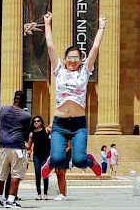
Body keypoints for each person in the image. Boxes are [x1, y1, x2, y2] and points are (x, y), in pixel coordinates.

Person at [40, 11, 104, 197]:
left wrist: (101, 27)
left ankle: (91, 161)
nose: (73, 61)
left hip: (78, 124)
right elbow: (50, 46)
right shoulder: (58, 70)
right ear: (66, 58)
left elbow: (95, 48)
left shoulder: (84, 72)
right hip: (60, 124)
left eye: (77, 58)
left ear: (81, 61)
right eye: (70, 57)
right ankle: (50, 161)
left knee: (79, 160)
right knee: (59, 158)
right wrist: (47, 24)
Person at [0, 90, 31, 209]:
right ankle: (11, 200)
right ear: (24, 100)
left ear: (14, 99)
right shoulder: (26, 116)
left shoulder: (3, 109)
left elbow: (0, 122)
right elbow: (25, 131)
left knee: (1, 173)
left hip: (3, 145)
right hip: (18, 146)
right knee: (16, 174)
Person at [27, 115, 51, 200]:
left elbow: (55, 136)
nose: (36, 122)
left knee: (45, 174)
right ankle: (39, 194)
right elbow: (29, 146)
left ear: (41, 122)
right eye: (34, 121)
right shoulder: (31, 134)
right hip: (36, 156)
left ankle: (45, 194)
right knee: (37, 174)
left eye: (38, 121)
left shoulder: (47, 130)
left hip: (45, 155)